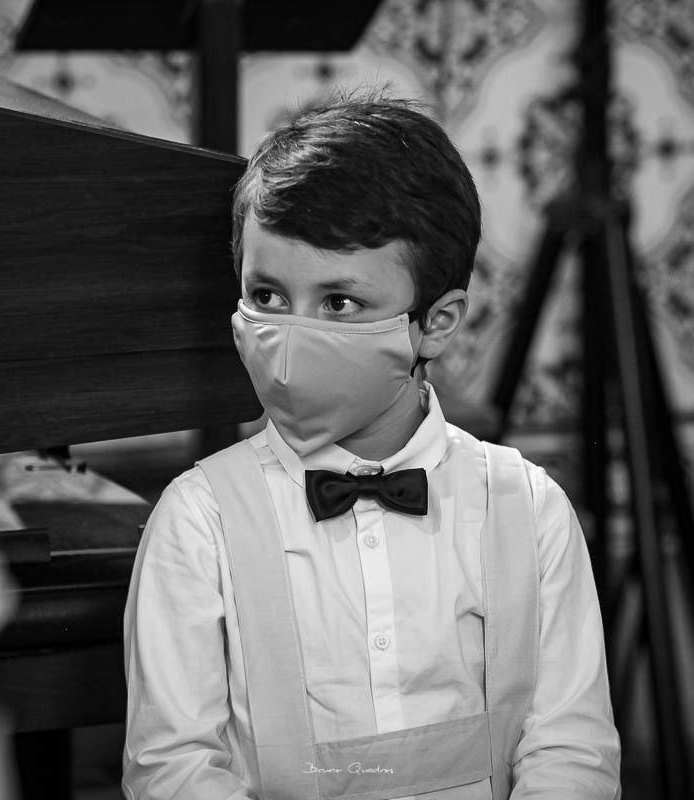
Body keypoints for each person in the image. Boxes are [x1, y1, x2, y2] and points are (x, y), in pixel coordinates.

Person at [123, 93, 621, 800]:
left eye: (339, 303)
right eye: (267, 297)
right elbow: (172, 769)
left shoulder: (528, 509)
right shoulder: (198, 521)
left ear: (436, 323)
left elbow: (571, 747)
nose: (290, 339)